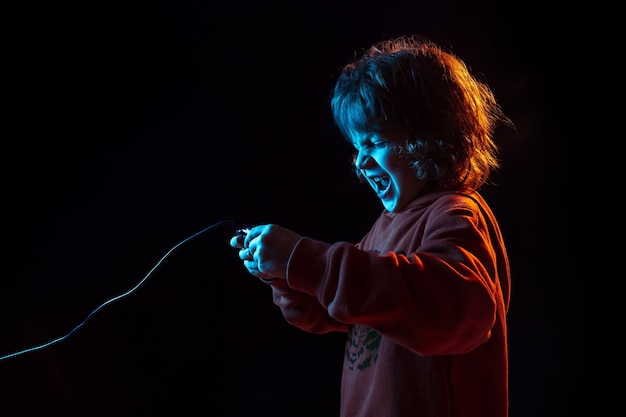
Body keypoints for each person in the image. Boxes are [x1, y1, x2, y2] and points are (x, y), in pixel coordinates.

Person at [230, 34, 514, 417]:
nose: (361, 162)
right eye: (357, 146)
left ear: (428, 138)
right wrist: (284, 273)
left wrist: (305, 260)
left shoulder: (455, 212)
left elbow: (458, 309)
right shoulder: (383, 228)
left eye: (376, 142)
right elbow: (334, 309)